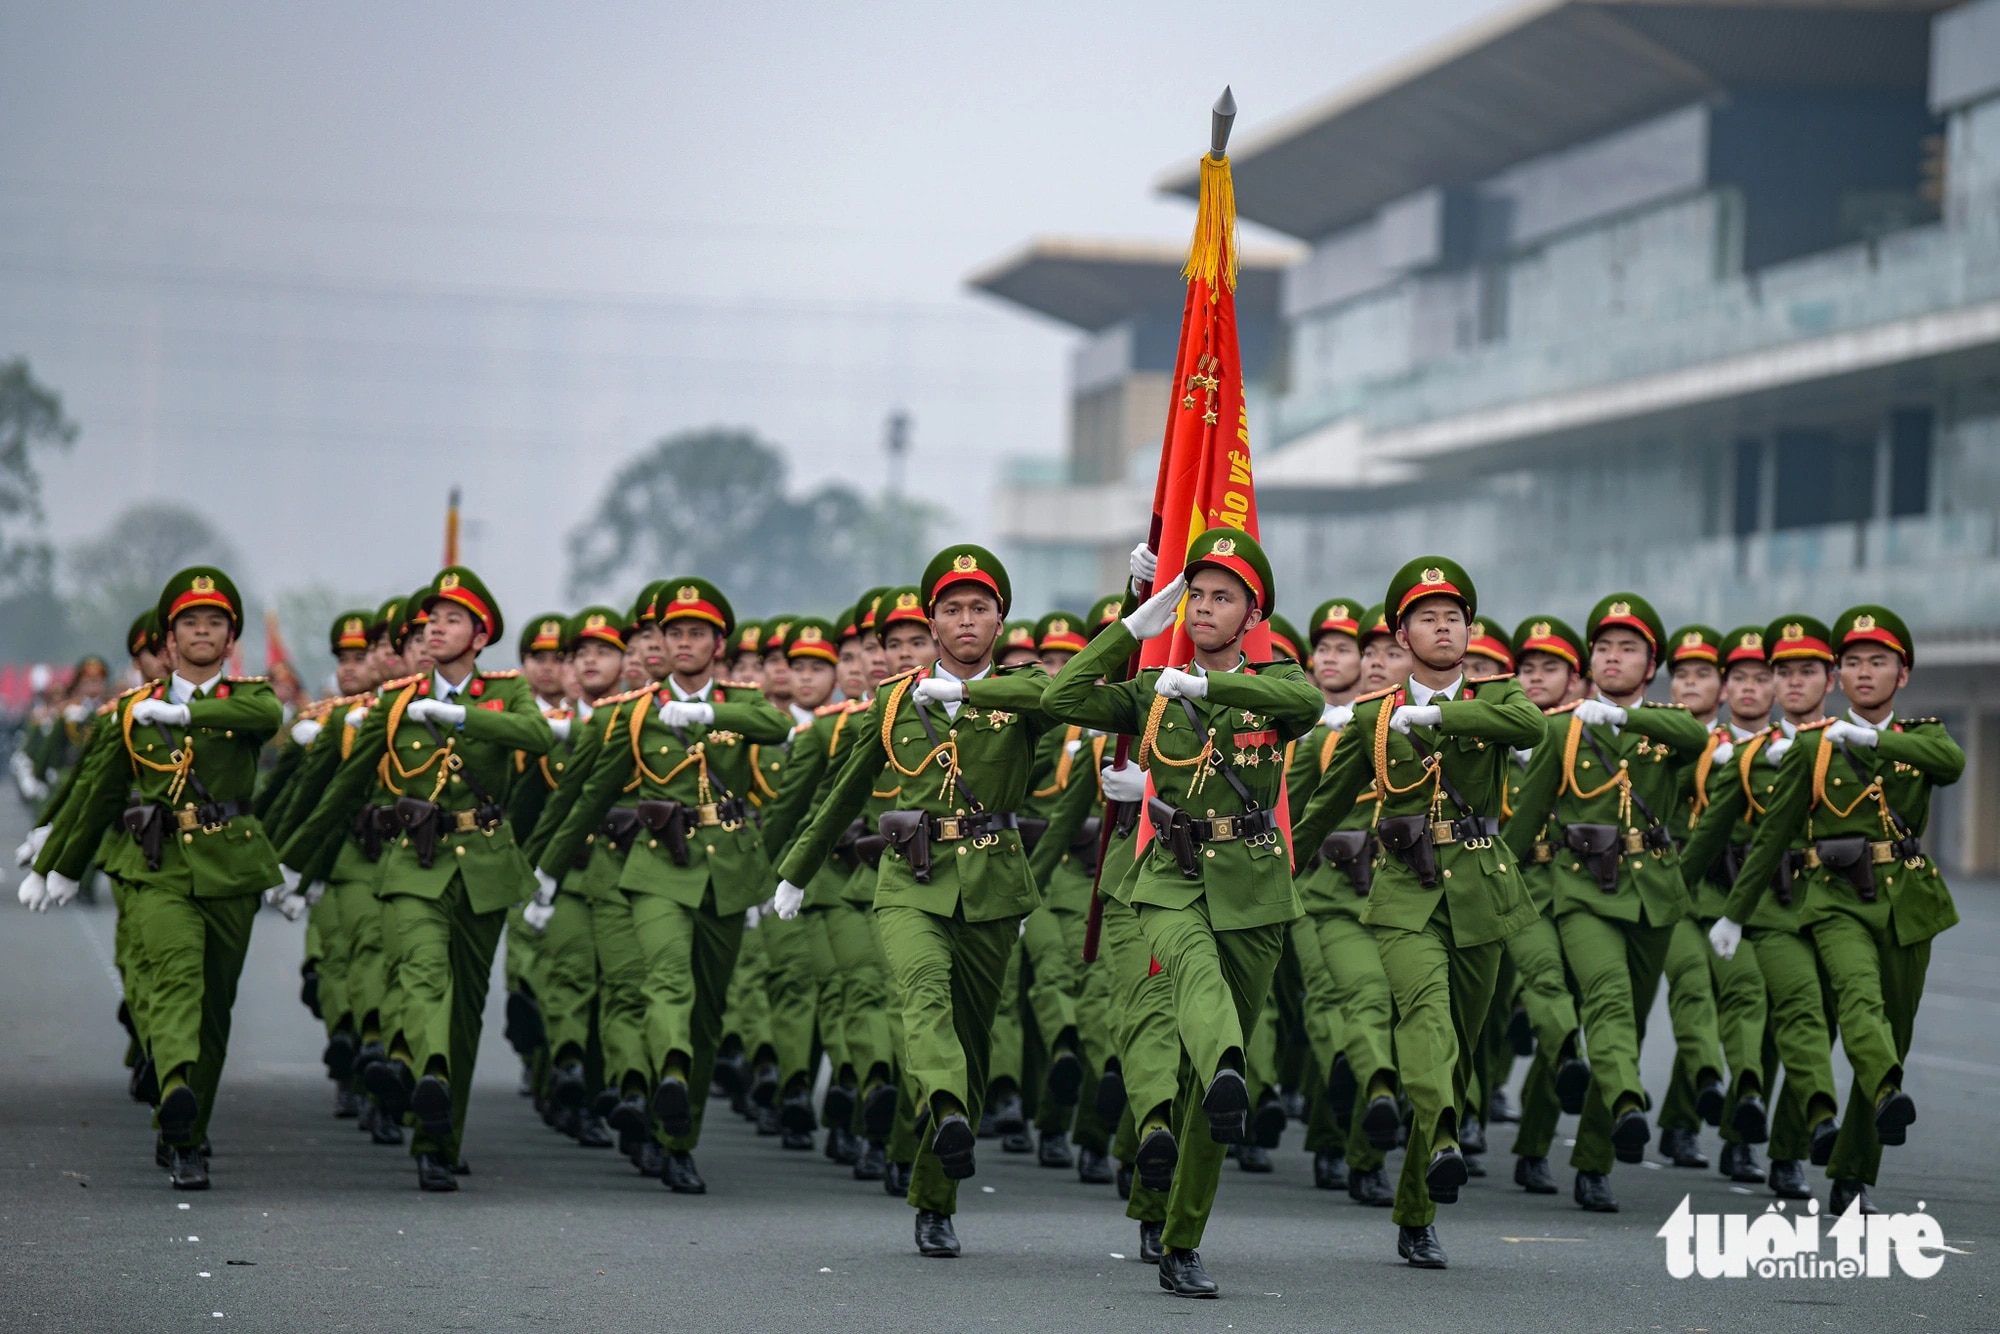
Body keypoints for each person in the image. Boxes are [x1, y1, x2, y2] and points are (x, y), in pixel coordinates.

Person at [1043, 527, 1320, 1298]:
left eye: (1221, 597)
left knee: (1208, 1106)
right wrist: (1133, 624)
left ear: (1251, 612)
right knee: (1193, 980)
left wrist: (1208, 689)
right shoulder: (1153, 685)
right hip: (1168, 872)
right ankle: (1230, 1061)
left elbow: (1303, 701)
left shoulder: (1278, 680)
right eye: (1194, 594)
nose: (1202, 607)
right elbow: (1058, 696)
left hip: (1255, 885)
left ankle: (1182, 1237)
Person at [773, 545, 1056, 1261]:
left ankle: (936, 1197)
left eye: (980, 608)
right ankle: (949, 1108)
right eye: (952, 609)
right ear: (932, 621)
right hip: (910, 881)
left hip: (992, 885)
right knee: (922, 997)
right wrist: (797, 870)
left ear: (1001, 620)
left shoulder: (1023, 693)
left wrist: (1134, 591)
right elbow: (845, 790)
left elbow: (1067, 691)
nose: (966, 621)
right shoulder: (894, 700)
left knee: (972, 1039)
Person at [1295, 558, 1542, 1270]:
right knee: (1426, 1020)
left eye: (1453, 616)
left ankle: (1417, 1208)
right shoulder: (1374, 718)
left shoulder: (1496, 698)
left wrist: (1438, 714)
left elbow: (1530, 725)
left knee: (1457, 1046)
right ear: (1401, 635)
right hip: (1405, 893)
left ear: (1471, 629)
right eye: (1427, 618)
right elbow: (1325, 806)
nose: (1442, 627)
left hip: (1483, 893)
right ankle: (1440, 1139)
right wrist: (1275, 872)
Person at [278, 566, 553, 1190]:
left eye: (452, 620)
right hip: (413, 864)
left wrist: (461, 720)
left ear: (480, 637)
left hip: (483, 864)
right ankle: (424, 1072)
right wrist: (295, 860)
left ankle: (439, 1134)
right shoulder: (394, 702)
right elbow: (341, 787)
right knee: (424, 976)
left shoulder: (503, 693)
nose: (436, 628)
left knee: (467, 1007)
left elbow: (536, 736)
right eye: (431, 620)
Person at [29, 567, 285, 1189]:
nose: (203, 631)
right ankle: (173, 1088)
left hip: (231, 867)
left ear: (231, 640)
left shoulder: (248, 699)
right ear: (169, 642)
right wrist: (59, 863)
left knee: (215, 1008)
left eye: (215, 623)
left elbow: (264, 716)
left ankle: (188, 1134)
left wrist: (183, 714)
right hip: (158, 868)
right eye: (190, 623)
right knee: (177, 984)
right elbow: (98, 793)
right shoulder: (130, 713)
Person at [537, 577, 792, 1194]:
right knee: (666, 979)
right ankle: (669, 1072)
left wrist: (706, 713)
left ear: (717, 643)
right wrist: (547, 868)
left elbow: (774, 726)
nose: (683, 643)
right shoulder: (632, 714)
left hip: (727, 871)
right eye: (673, 632)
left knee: (707, 1011)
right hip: (655, 868)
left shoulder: (741, 702)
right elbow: (589, 796)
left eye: (696, 633)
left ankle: (678, 1138)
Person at [1712, 606, 1957, 1215]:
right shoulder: (1811, 748)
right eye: (1853, 662)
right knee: (1856, 1003)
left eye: (1879, 662)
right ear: (1838, 676)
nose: (1864, 672)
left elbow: (1949, 766)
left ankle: (1852, 1173)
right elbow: (1772, 836)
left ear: (1902, 674)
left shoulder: (1924, 737)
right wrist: (1734, 913)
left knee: (1891, 1030)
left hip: (1907, 903)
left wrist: (1876, 739)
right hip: (1834, 900)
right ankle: (1883, 1091)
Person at [1508, 594, 1714, 1214]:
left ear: (1651, 666)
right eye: (1604, 649)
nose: (1614, 658)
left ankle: (1592, 1157)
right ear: (1590, 661)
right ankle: (1625, 1101)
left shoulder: (1660, 723)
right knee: (1607, 1007)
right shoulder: (1561, 729)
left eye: (1628, 649)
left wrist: (1626, 720)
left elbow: (1695, 734)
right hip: (1577, 892)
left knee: (1619, 1022)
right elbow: (1525, 824)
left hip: (1651, 894)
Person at [1689, 616, 1844, 1201]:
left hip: (1830, 901)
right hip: (1759, 903)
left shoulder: (1849, 746)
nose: (1789, 683)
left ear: (1827, 680)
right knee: (1776, 1015)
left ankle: (1778, 1146)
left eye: (1806, 671)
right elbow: (1710, 835)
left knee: (1808, 1028)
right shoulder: (1751, 755)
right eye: (1784, 672)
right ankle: (1764, 1138)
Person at [1285, 596, 1397, 1207]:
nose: (1378, 664)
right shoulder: (1330, 736)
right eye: (1371, 652)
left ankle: (1357, 1145)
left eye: (1389, 653)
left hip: (1410, 892)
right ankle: (1345, 1140)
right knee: (1344, 1002)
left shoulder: (1444, 731)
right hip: (1325, 892)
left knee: (1391, 1022)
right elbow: (1291, 818)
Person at [1673, 625, 1779, 1186]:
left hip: (1771, 895)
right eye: (1738, 677)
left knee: (1753, 1007)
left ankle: (1738, 1130)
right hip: (1697, 892)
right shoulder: (1697, 745)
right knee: (1697, 993)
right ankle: (1695, 1109)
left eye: (1763, 678)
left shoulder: (1796, 748)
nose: (1749, 689)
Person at [1493, 616, 1592, 1197]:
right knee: (1504, 1014)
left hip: (1570, 887)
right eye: (1526, 669)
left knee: (1564, 1002)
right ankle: (1460, 1129)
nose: (1535, 678)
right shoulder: (1493, 734)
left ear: (1575, 681)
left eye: (1550, 668)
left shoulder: (1590, 737)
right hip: (1509, 884)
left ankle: (1534, 1145)